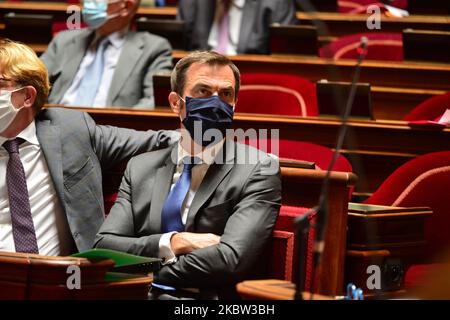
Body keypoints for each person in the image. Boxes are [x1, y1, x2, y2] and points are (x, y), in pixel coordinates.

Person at [94, 51, 282, 299]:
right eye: (203, 91)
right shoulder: (140, 167)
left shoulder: (258, 169)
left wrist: (137, 270)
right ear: (176, 102)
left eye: (226, 94)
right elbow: (104, 247)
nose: (216, 103)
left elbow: (230, 259)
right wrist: (172, 242)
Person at [0, 39, 178, 256]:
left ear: (27, 96)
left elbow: (160, 141)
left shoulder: (71, 130)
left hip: (64, 277)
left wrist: (211, 141)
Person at [41, 0, 172, 109]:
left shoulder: (154, 48)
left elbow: (153, 101)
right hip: (54, 126)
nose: (88, 4)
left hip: (110, 132)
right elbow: (31, 83)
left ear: (126, 6)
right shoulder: (64, 40)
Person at [178, 0, 298, 55]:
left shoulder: (277, 3)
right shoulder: (191, 2)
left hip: (252, 84)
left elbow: (286, 61)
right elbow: (178, 53)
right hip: (201, 82)